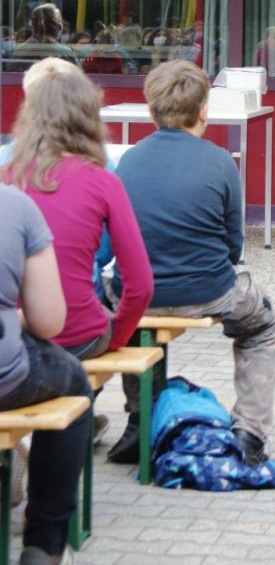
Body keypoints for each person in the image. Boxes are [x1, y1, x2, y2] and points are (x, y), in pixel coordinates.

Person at [108, 60, 275, 467]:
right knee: (263, 326)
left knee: (133, 321)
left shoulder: (128, 161)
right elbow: (233, 245)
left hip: (139, 293)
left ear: (151, 108)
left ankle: (140, 420)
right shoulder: (220, 161)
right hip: (208, 290)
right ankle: (250, 433)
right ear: (204, 109)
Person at [0, 68, 153, 362]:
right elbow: (140, 284)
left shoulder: (6, 178)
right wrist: (117, 336)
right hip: (80, 335)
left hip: (15, 337)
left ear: (29, 117)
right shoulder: (104, 181)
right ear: (90, 118)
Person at [0, 182, 93, 565]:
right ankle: (44, 545)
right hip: (7, 378)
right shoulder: (15, 205)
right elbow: (50, 321)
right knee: (74, 382)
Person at [7, 4, 78, 72]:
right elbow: (77, 75)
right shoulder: (64, 52)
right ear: (54, 25)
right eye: (59, 20)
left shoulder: (19, 50)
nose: (60, 25)